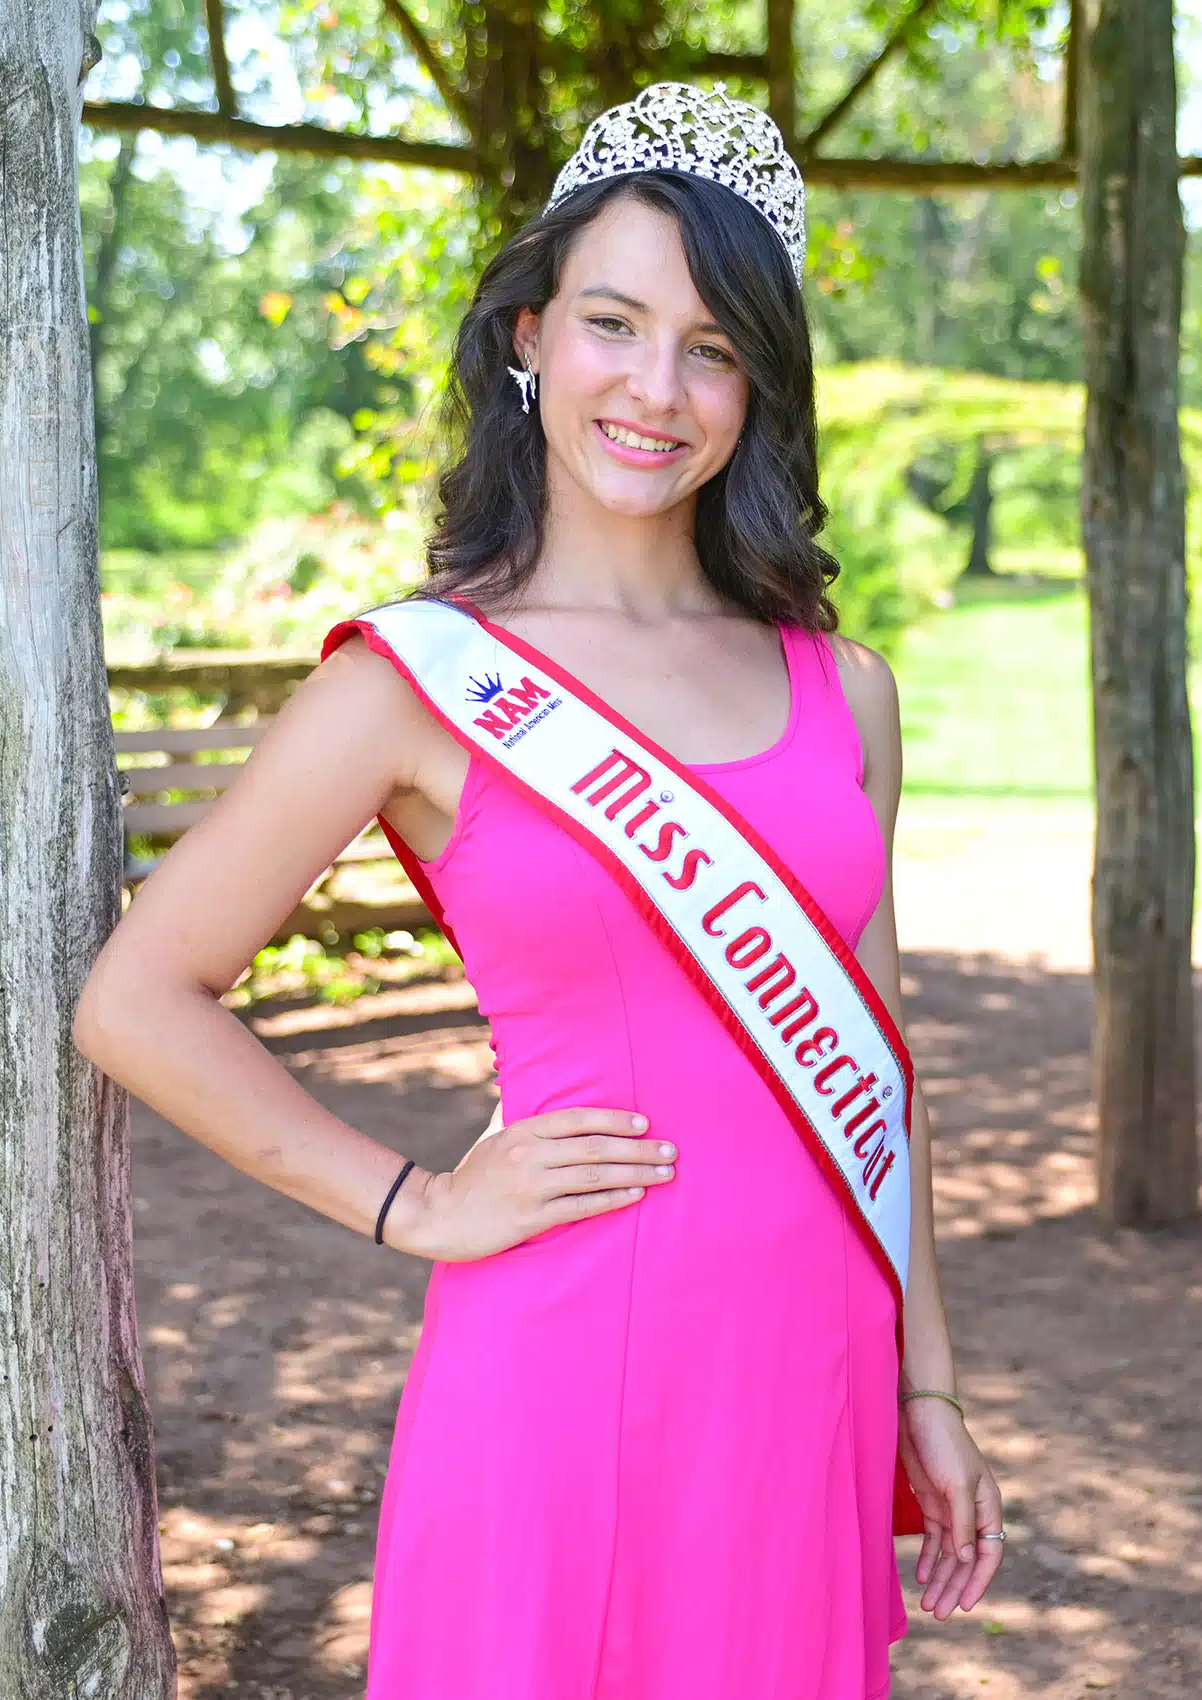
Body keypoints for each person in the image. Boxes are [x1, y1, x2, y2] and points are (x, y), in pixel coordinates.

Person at [74, 82, 1002, 1699]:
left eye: (710, 348)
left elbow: (876, 1077)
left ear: (758, 386)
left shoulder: (843, 688)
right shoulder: (417, 681)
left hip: (812, 1372)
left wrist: (928, 1385)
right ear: (528, 335)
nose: (655, 389)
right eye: (612, 325)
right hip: (571, 1359)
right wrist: (413, 1203)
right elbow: (134, 1001)